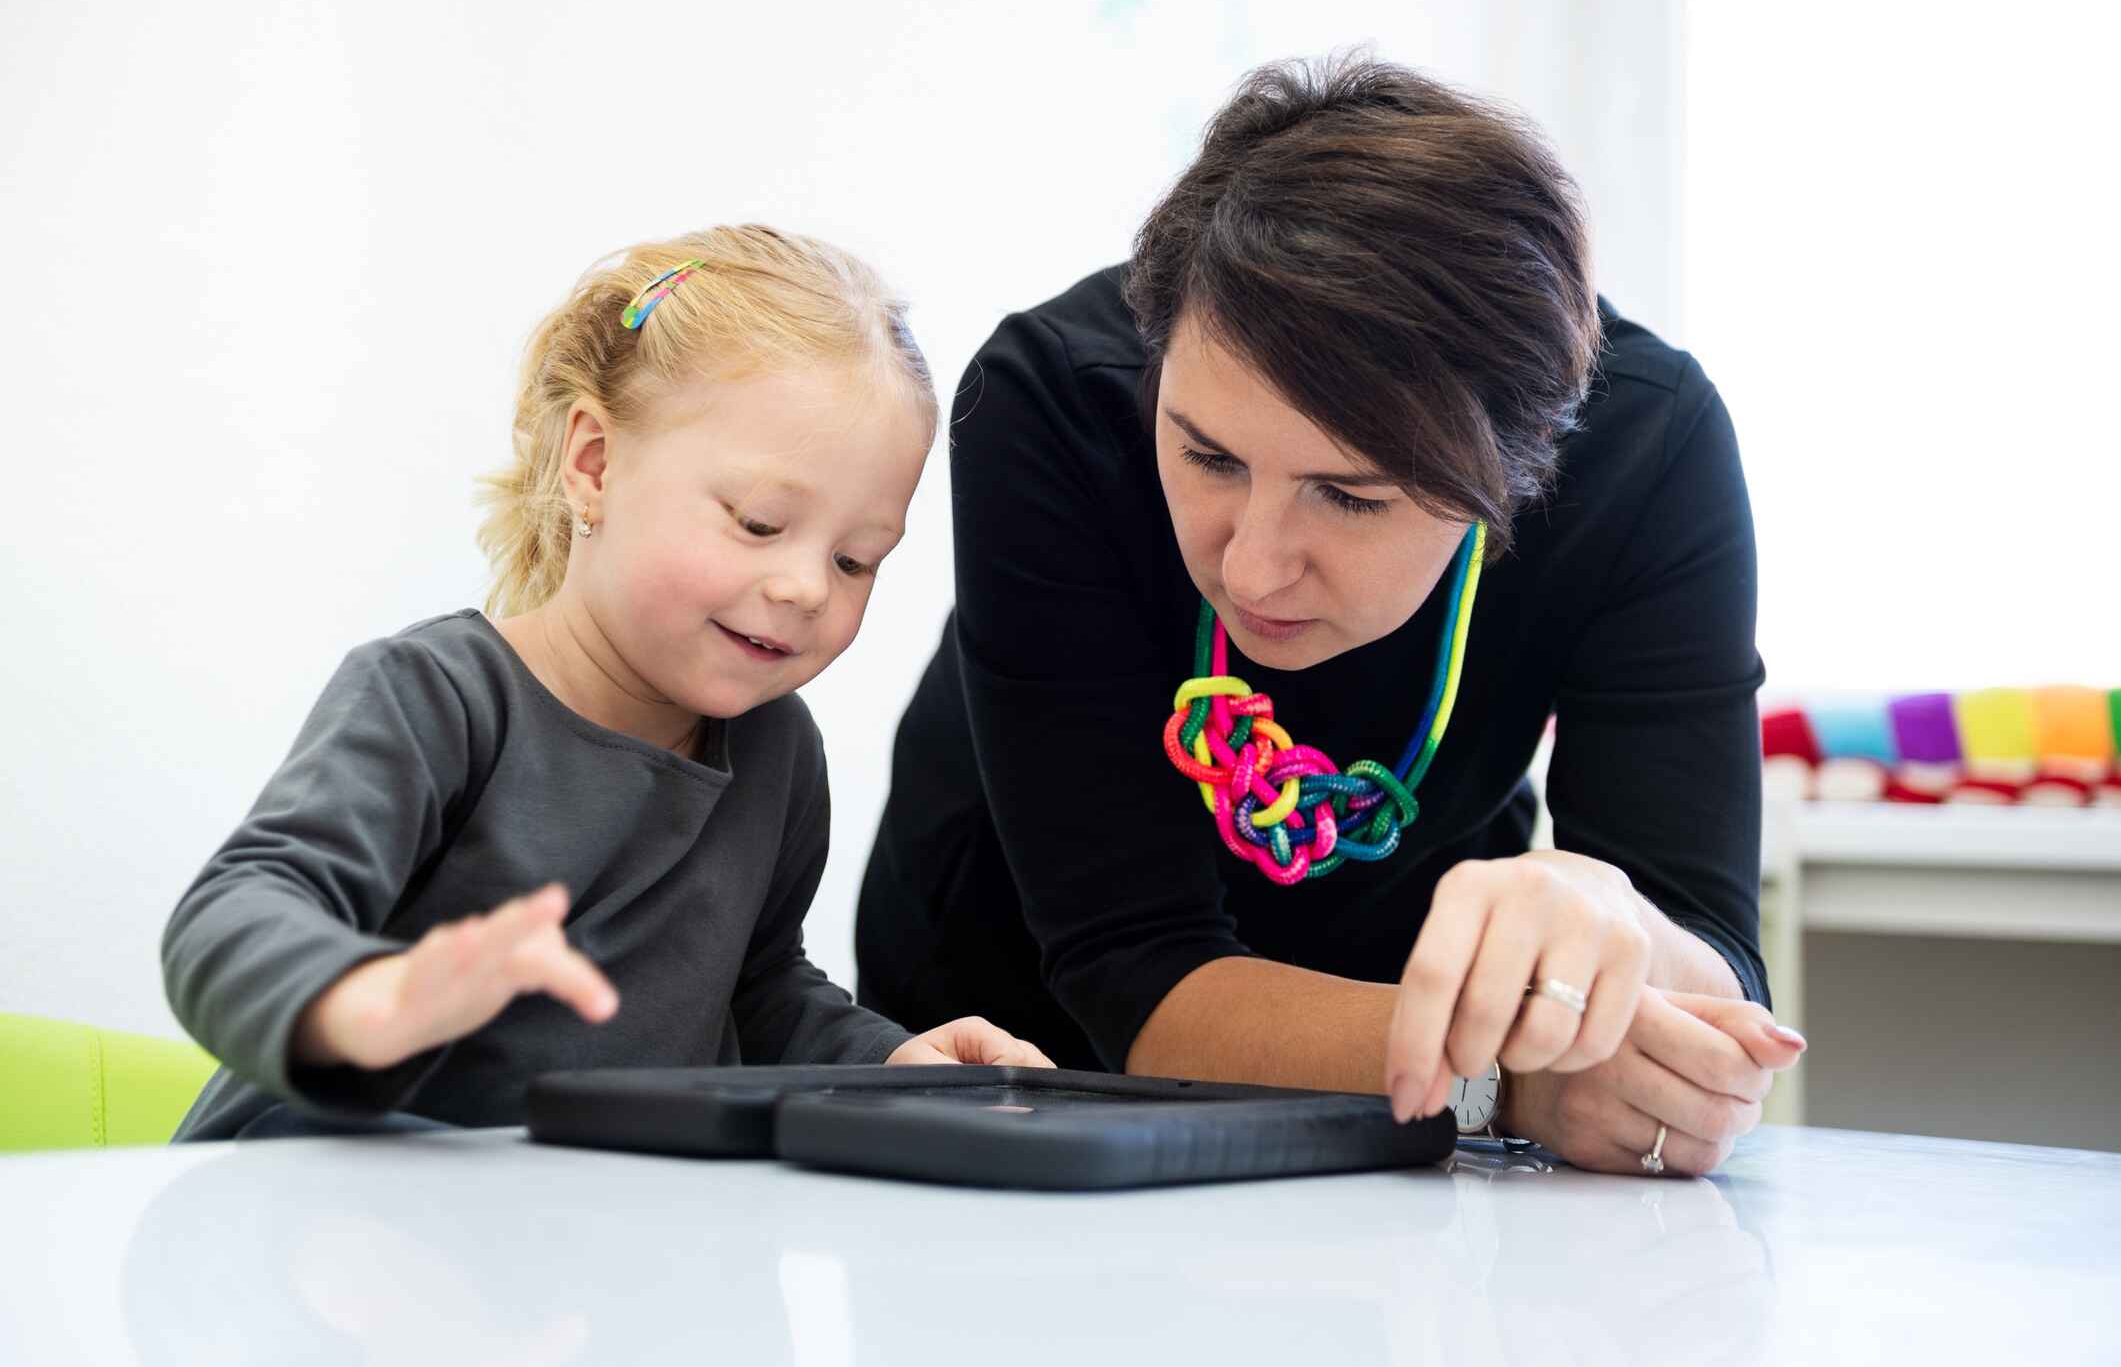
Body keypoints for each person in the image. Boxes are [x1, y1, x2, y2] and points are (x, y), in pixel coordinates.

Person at [856, 57, 1802, 1176]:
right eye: (1207, 454)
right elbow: (1135, 970)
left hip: (1400, 1038)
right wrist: (1505, 1077)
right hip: (1021, 1050)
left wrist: (1620, 924)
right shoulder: (1053, 398)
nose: (1253, 566)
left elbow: (1719, 979)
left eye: (1349, 495)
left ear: (1522, 464)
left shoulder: (1651, 444)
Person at [164, 226, 1050, 1141]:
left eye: (856, 559)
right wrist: (368, 999)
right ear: (593, 464)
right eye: (756, 523)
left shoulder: (776, 749)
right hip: (306, 1220)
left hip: (548, 1244)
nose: (806, 586)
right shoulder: (437, 696)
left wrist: (890, 1064)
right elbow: (235, 913)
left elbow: (755, 990)